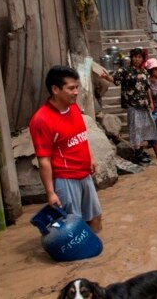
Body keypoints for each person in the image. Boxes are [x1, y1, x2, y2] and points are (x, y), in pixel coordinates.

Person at [29, 66, 102, 232]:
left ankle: (94, 254)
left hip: (84, 174)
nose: (76, 92)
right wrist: (50, 193)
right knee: (72, 227)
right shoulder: (42, 120)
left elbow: (80, 137)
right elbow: (44, 160)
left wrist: (90, 158)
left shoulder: (73, 108)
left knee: (96, 218)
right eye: (71, 88)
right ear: (55, 89)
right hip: (66, 179)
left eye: (77, 87)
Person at [101, 48, 157, 164]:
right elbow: (115, 79)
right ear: (131, 58)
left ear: (142, 59)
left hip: (144, 104)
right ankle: (137, 153)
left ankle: (141, 150)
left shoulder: (144, 72)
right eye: (135, 57)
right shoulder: (125, 70)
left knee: (144, 126)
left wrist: (151, 102)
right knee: (135, 127)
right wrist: (107, 77)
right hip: (132, 104)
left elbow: (147, 88)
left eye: (140, 57)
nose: (137, 59)